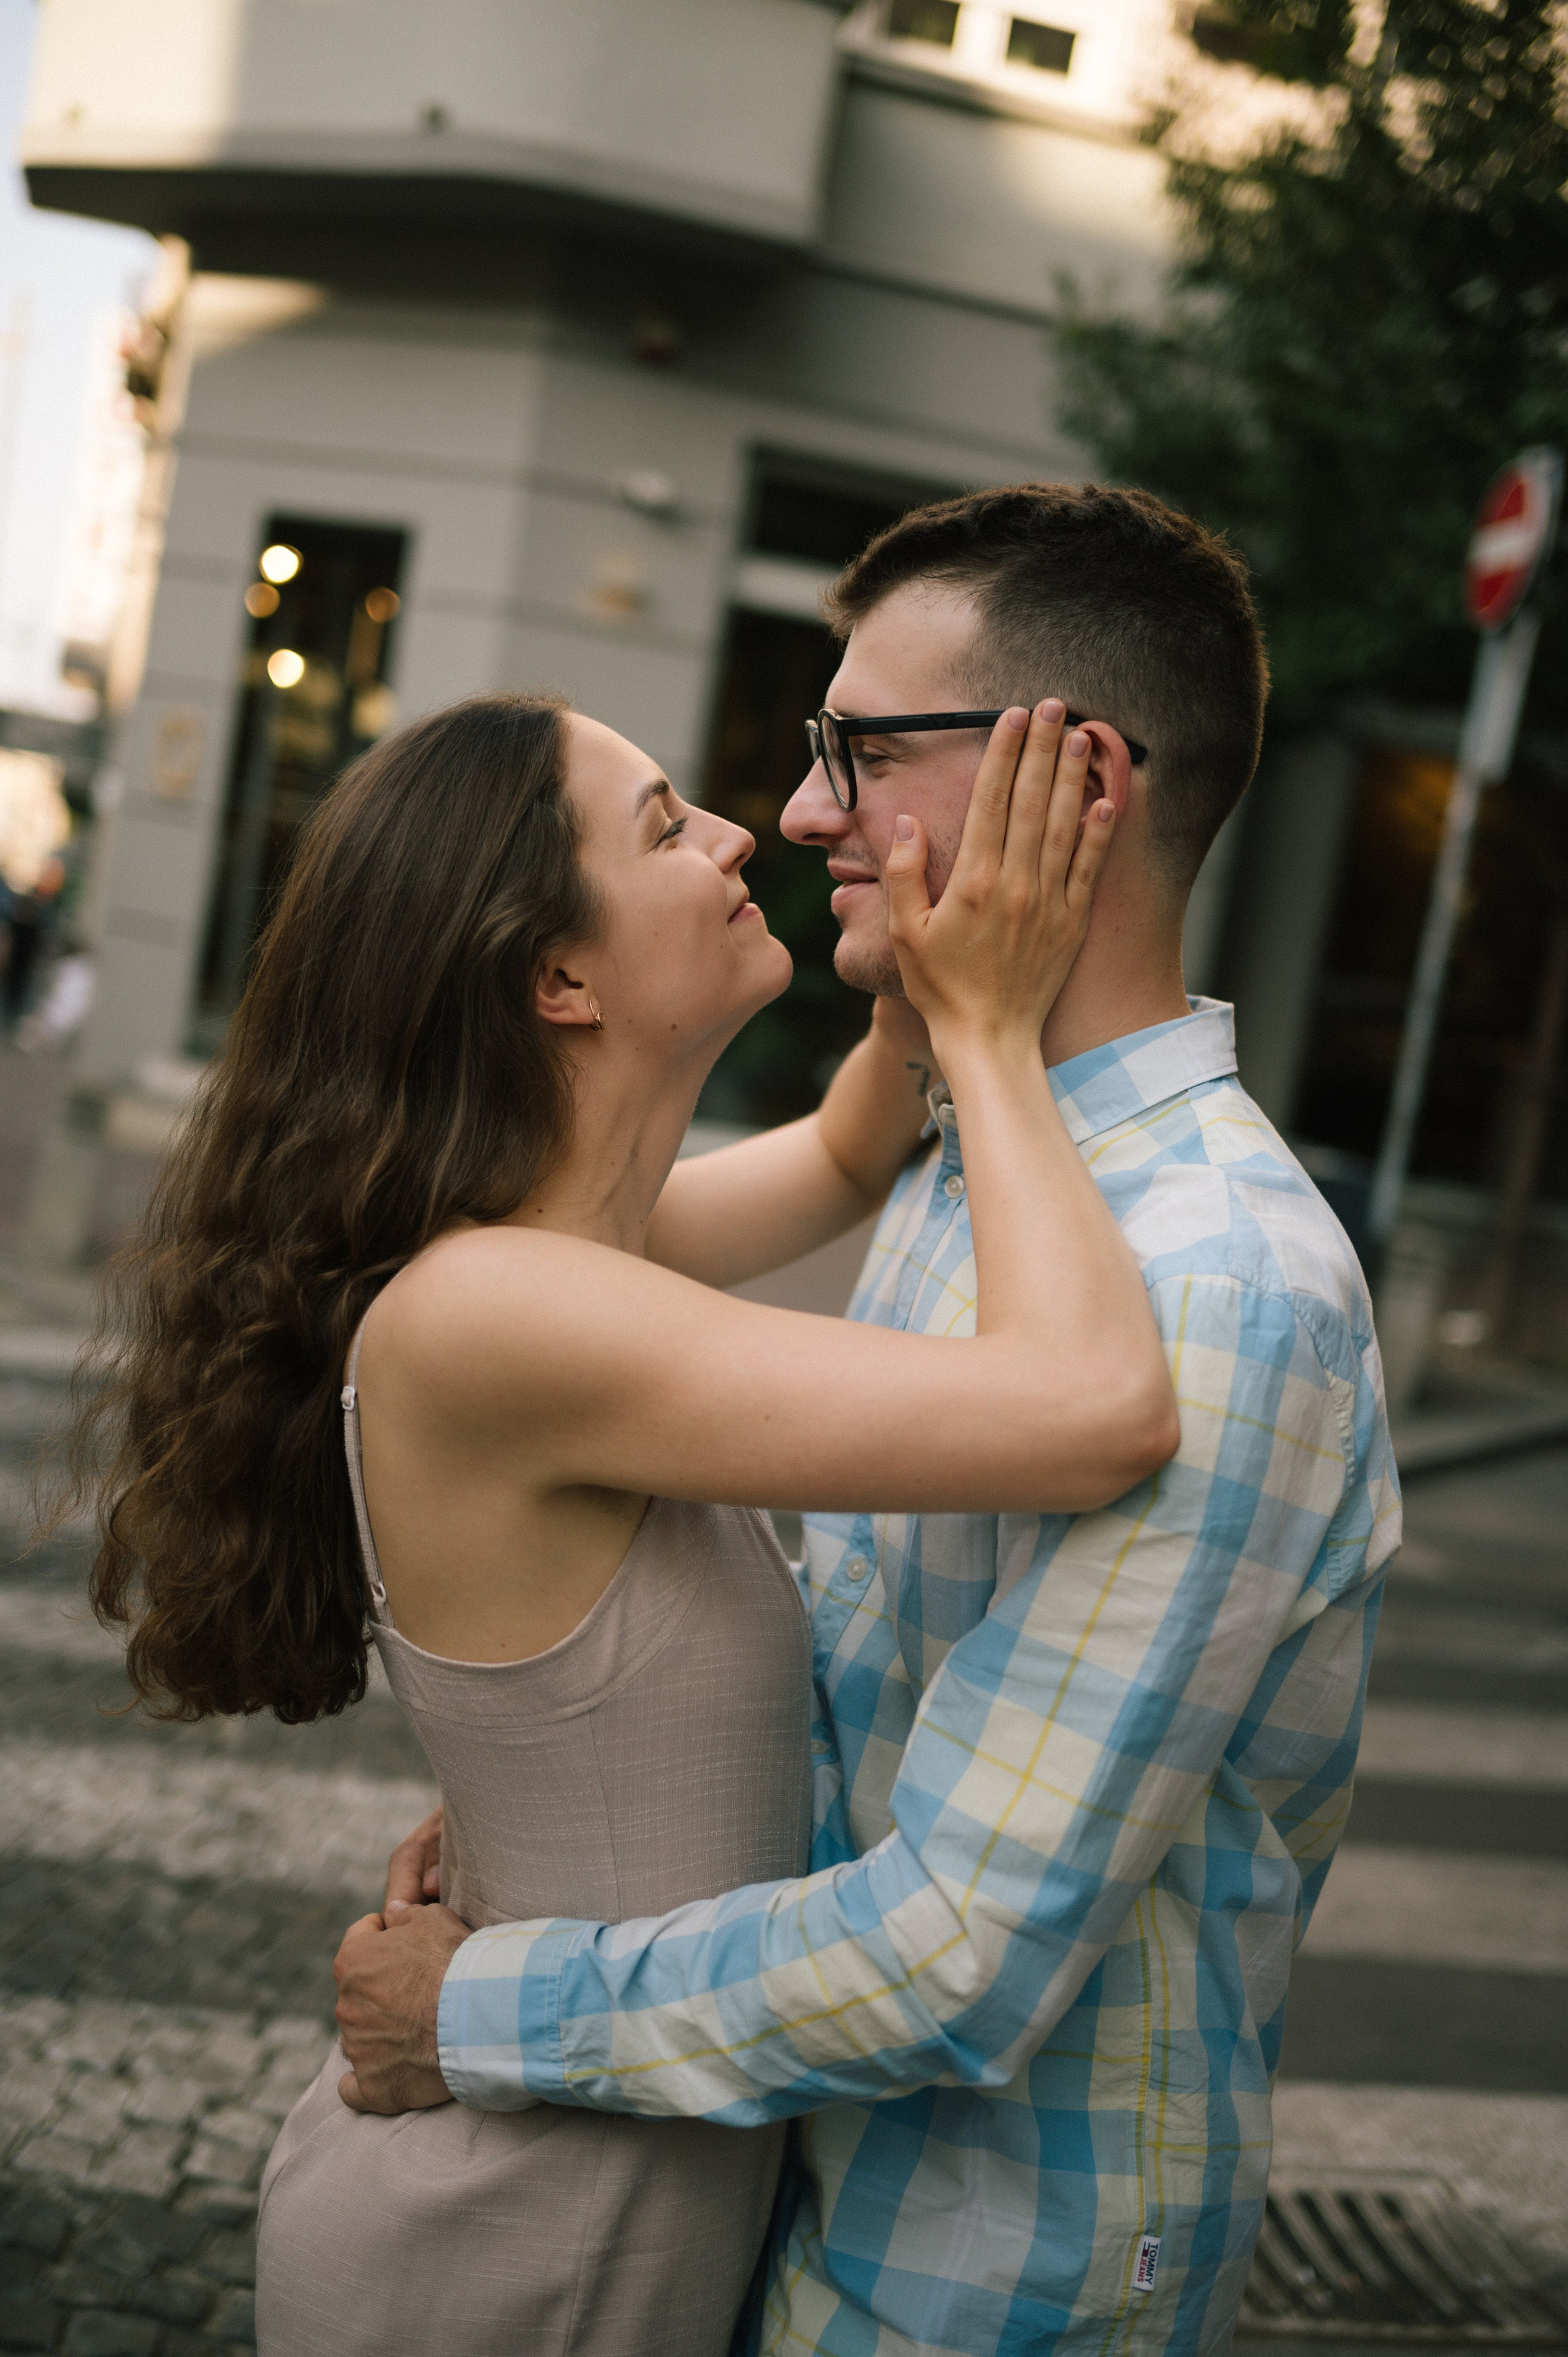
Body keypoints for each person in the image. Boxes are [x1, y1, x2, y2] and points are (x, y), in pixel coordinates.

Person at [334, 485, 1402, 2357]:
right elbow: (860, 1699)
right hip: (791, 2211)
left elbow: (956, 1957)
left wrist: (481, 2005)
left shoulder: (1215, 1281)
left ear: (1067, 786)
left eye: (858, 749)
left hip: (981, 2288)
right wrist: (559, 1802)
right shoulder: (974, 1170)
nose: (800, 811)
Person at [73, 683, 1175, 2356]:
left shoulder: (575, 1258)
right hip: (518, 2245)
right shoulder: (505, 1316)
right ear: (559, 978)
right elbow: (1095, 1412)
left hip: (575, 2187)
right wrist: (1001, 1038)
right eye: (668, 827)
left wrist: (924, 917)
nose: (742, 834)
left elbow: (843, 1154)